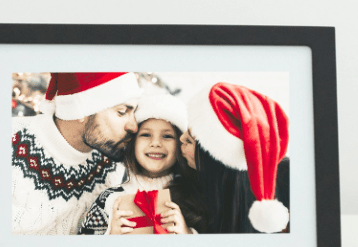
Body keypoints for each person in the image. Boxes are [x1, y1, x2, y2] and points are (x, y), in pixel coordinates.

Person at [12, 72, 143, 235]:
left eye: (134, 113)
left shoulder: (112, 163)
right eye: (122, 112)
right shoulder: (8, 142)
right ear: (81, 110)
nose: (134, 127)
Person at [78, 94, 207, 235]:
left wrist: (188, 234)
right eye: (146, 135)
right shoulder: (110, 199)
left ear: (180, 145)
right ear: (132, 143)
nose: (156, 143)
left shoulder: (196, 197)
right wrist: (111, 236)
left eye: (167, 136)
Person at [182, 82, 290, 234]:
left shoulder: (289, 188)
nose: (181, 138)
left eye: (190, 140)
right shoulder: (184, 187)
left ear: (217, 160)